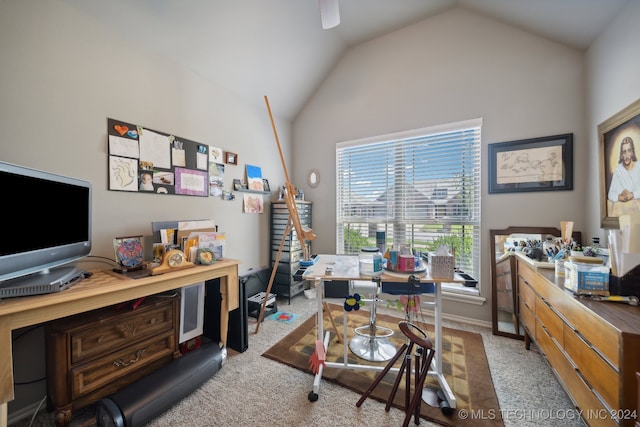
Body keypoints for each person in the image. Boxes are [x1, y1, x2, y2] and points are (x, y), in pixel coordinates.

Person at [608, 137, 640, 203]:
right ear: (622, 154)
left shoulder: (639, 166)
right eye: (624, 152)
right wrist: (618, 197)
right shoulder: (618, 170)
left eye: (629, 150)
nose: (626, 155)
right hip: (623, 210)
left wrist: (632, 194)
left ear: (632, 152)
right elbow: (610, 194)